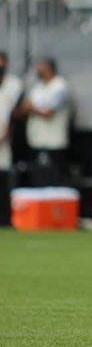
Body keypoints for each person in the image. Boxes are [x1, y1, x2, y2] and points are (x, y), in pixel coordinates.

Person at [16, 59, 71, 187]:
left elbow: (48, 112)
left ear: (49, 69)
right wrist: (32, 108)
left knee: (53, 181)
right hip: (36, 142)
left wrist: (31, 108)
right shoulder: (38, 87)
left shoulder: (60, 86)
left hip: (54, 143)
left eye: (40, 68)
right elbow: (22, 109)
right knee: (37, 180)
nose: (38, 71)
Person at [0, 53, 23, 225]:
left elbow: (10, 119)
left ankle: (6, 219)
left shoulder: (12, 86)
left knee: (4, 182)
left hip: (4, 146)